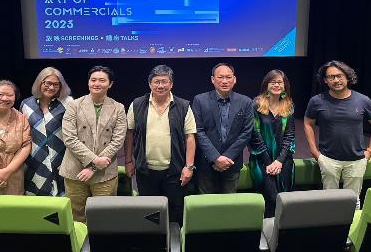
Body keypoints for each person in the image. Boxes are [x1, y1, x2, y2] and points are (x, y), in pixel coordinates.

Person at [303, 60, 371, 208]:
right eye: (331, 77)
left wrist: (370, 151)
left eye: (339, 76)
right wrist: (315, 152)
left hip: (357, 160)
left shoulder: (363, 100)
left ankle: (351, 224)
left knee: (353, 201)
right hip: (328, 159)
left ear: (347, 77)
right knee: (329, 201)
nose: (336, 80)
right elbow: (308, 123)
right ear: (325, 80)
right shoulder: (316, 101)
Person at [124, 64, 196, 224]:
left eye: (165, 81)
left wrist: (189, 167)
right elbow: (129, 134)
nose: (161, 85)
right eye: (157, 82)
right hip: (145, 171)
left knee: (175, 210)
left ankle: (174, 238)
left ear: (171, 84)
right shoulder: (137, 104)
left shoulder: (183, 106)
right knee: (149, 212)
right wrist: (128, 161)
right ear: (150, 84)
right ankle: (153, 237)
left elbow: (190, 137)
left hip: (175, 171)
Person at [59, 66, 126, 222]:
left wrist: (93, 168)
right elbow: (69, 138)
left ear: (110, 84)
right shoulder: (74, 105)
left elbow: (118, 141)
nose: (97, 83)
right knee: (76, 215)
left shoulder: (118, 108)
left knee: (104, 216)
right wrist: (95, 160)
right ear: (88, 82)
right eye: (93, 80)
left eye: (102, 80)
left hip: (105, 172)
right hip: (75, 169)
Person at [192, 63, 254, 194]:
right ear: (213, 79)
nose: (224, 81)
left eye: (228, 77)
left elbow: (246, 133)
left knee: (229, 203)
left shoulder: (246, 102)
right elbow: (199, 131)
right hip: (207, 163)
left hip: (231, 162)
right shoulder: (199, 100)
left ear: (234, 79)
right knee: (206, 202)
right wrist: (215, 158)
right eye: (220, 77)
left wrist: (226, 158)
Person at [248, 70, 296, 217]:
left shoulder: (288, 105)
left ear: (284, 85)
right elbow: (255, 135)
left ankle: (283, 228)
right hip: (262, 160)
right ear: (266, 85)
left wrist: (279, 161)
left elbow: (290, 136)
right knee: (269, 200)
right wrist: (269, 163)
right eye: (273, 82)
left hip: (283, 160)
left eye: (279, 82)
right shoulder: (256, 104)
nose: (276, 85)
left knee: (285, 201)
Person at [20, 67, 72, 196]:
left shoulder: (68, 103)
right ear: (40, 83)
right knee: (36, 199)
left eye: (56, 84)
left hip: (62, 158)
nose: (51, 87)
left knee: (62, 198)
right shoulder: (26, 104)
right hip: (35, 160)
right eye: (48, 83)